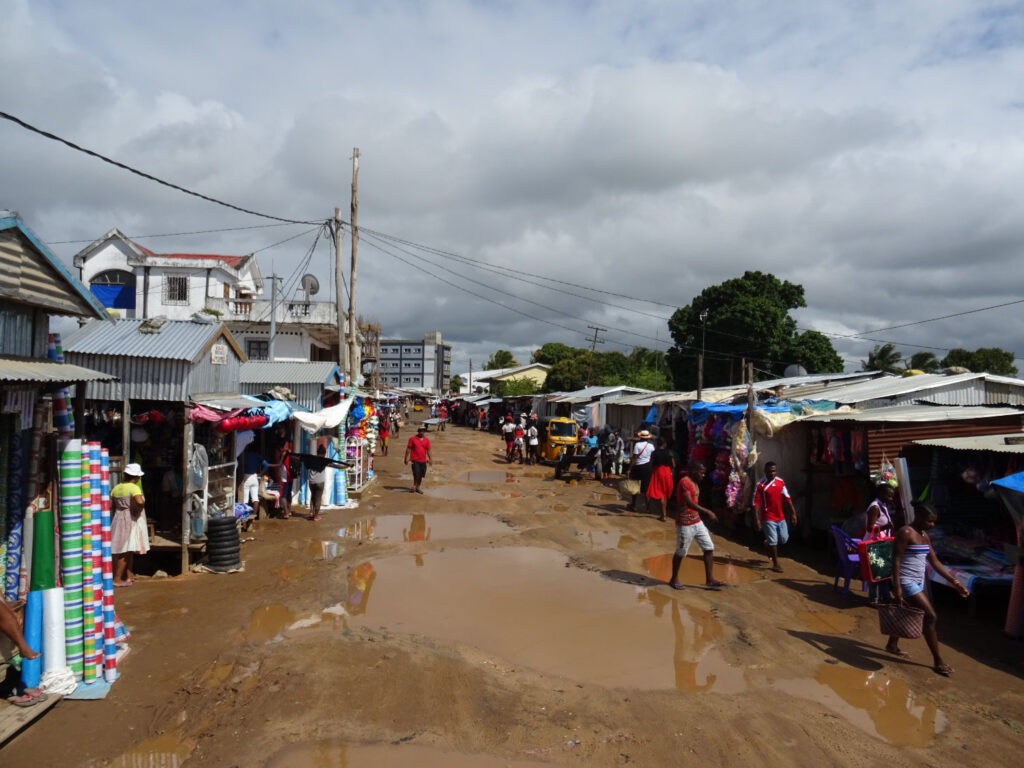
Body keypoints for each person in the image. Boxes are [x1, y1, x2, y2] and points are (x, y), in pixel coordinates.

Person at [885, 502, 969, 676]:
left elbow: (935, 561)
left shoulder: (924, 535)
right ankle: (938, 661)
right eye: (930, 521)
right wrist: (897, 587)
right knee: (930, 617)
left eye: (934, 522)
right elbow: (896, 560)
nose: (932, 525)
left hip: (918, 581)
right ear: (920, 517)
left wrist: (954, 582)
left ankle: (892, 644)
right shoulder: (905, 532)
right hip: (906, 581)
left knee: (905, 612)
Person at [668, 461, 724, 590]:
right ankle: (673, 578)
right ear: (693, 471)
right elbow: (689, 503)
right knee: (681, 551)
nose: (703, 475)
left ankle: (709, 579)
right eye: (701, 472)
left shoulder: (694, 483)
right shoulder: (684, 482)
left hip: (696, 521)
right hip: (685, 523)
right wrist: (708, 512)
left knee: (709, 547)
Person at [753, 461, 798, 573]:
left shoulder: (780, 482)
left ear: (776, 471)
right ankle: (776, 564)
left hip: (780, 517)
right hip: (767, 517)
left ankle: (767, 543)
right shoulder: (760, 484)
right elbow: (755, 503)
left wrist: (793, 513)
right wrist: (757, 519)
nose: (771, 473)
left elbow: (787, 498)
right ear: (765, 472)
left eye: (773, 471)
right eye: (769, 471)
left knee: (783, 539)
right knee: (774, 541)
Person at [111, 463, 150, 587]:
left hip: (118, 519)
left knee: (128, 549)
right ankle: (116, 579)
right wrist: (138, 509)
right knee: (125, 550)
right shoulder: (134, 488)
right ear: (136, 477)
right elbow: (139, 501)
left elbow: (112, 506)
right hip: (131, 520)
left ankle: (129, 576)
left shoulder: (116, 488)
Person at [291, 444, 350, 521]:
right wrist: (347, 466)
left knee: (313, 496)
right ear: (325, 453)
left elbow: (299, 457)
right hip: (320, 482)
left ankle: (311, 512)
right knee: (318, 498)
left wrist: (289, 454)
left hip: (311, 482)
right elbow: (336, 466)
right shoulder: (324, 461)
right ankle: (316, 516)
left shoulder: (311, 459)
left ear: (317, 452)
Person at [646, 436, 675, 522]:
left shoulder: (654, 452)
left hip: (658, 472)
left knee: (661, 493)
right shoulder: (669, 452)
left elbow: (651, 464)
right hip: (667, 472)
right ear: (665, 444)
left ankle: (664, 515)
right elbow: (673, 465)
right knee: (666, 492)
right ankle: (663, 514)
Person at [626, 429, 655, 512]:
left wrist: (629, 469)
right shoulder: (651, 446)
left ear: (640, 437)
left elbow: (634, 458)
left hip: (638, 467)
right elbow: (652, 458)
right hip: (648, 467)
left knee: (635, 487)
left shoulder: (637, 445)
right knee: (646, 489)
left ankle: (633, 505)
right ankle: (648, 508)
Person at [405, 425, 433, 494]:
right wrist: (406, 458)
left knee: (421, 475)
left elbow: (428, 450)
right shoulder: (412, 439)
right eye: (420, 430)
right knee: (416, 473)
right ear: (418, 431)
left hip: (423, 460)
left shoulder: (427, 440)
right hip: (414, 459)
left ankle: (418, 487)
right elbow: (408, 449)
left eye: (423, 431)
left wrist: (430, 459)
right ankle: (414, 486)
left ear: (424, 432)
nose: (421, 432)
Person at [239, 442, 269, 510]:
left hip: (246, 478)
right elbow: (266, 465)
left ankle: (245, 514)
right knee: (255, 498)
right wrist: (260, 474)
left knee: (245, 499)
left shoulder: (244, 456)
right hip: (255, 477)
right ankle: (254, 514)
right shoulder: (257, 456)